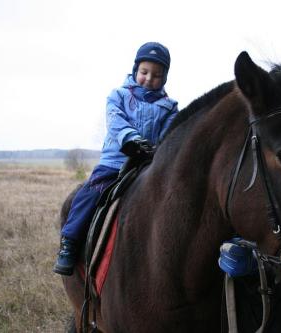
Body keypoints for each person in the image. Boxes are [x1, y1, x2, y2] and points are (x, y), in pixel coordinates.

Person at [53, 42, 179, 276]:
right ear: (135, 70)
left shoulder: (170, 107)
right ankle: (69, 244)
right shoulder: (118, 96)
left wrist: (157, 150)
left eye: (156, 75)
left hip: (150, 165)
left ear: (165, 78)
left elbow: (169, 135)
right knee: (89, 193)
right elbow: (115, 120)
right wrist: (130, 138)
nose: (149, 79)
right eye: (144, 72)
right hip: (115, 162)